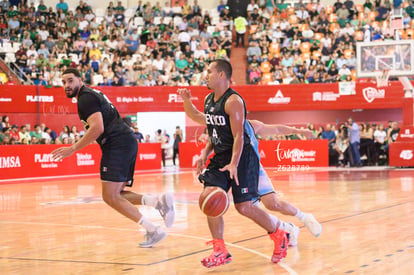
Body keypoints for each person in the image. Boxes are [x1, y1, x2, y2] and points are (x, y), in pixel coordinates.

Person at [178, 87, 323, 247]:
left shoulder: (252, 125)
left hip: (253, 168)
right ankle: (287, 229)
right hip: (233, 169)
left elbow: (277, 129)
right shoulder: (222, 124)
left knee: (272, 204)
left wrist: (299, 131)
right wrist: (205, 154)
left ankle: (304, 217)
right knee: (249, 208)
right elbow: (213, 139)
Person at [180, 59, 290, 268]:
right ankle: (220, 250)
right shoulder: (209, 99)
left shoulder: (233, 102)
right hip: (222, 155)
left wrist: (234, 164)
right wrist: (204, 154)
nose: (206, 75)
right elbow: (211, 129)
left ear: (222, 75)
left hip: (242, 157)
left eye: (210, 71)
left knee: (244, 207)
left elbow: (239, 136)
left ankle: (279, 233)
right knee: (210, 198)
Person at [51, 68, 175, 248]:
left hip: (117, 144)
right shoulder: (92, 94)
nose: (67, 86)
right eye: (63, 83)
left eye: (70, 81)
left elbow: (97, 128)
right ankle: (158, 203)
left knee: (110, 196)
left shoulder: (85, 98)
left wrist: (73, 148)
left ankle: (153, 229)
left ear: (80, 79)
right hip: (125, 142)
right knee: (117, 194)